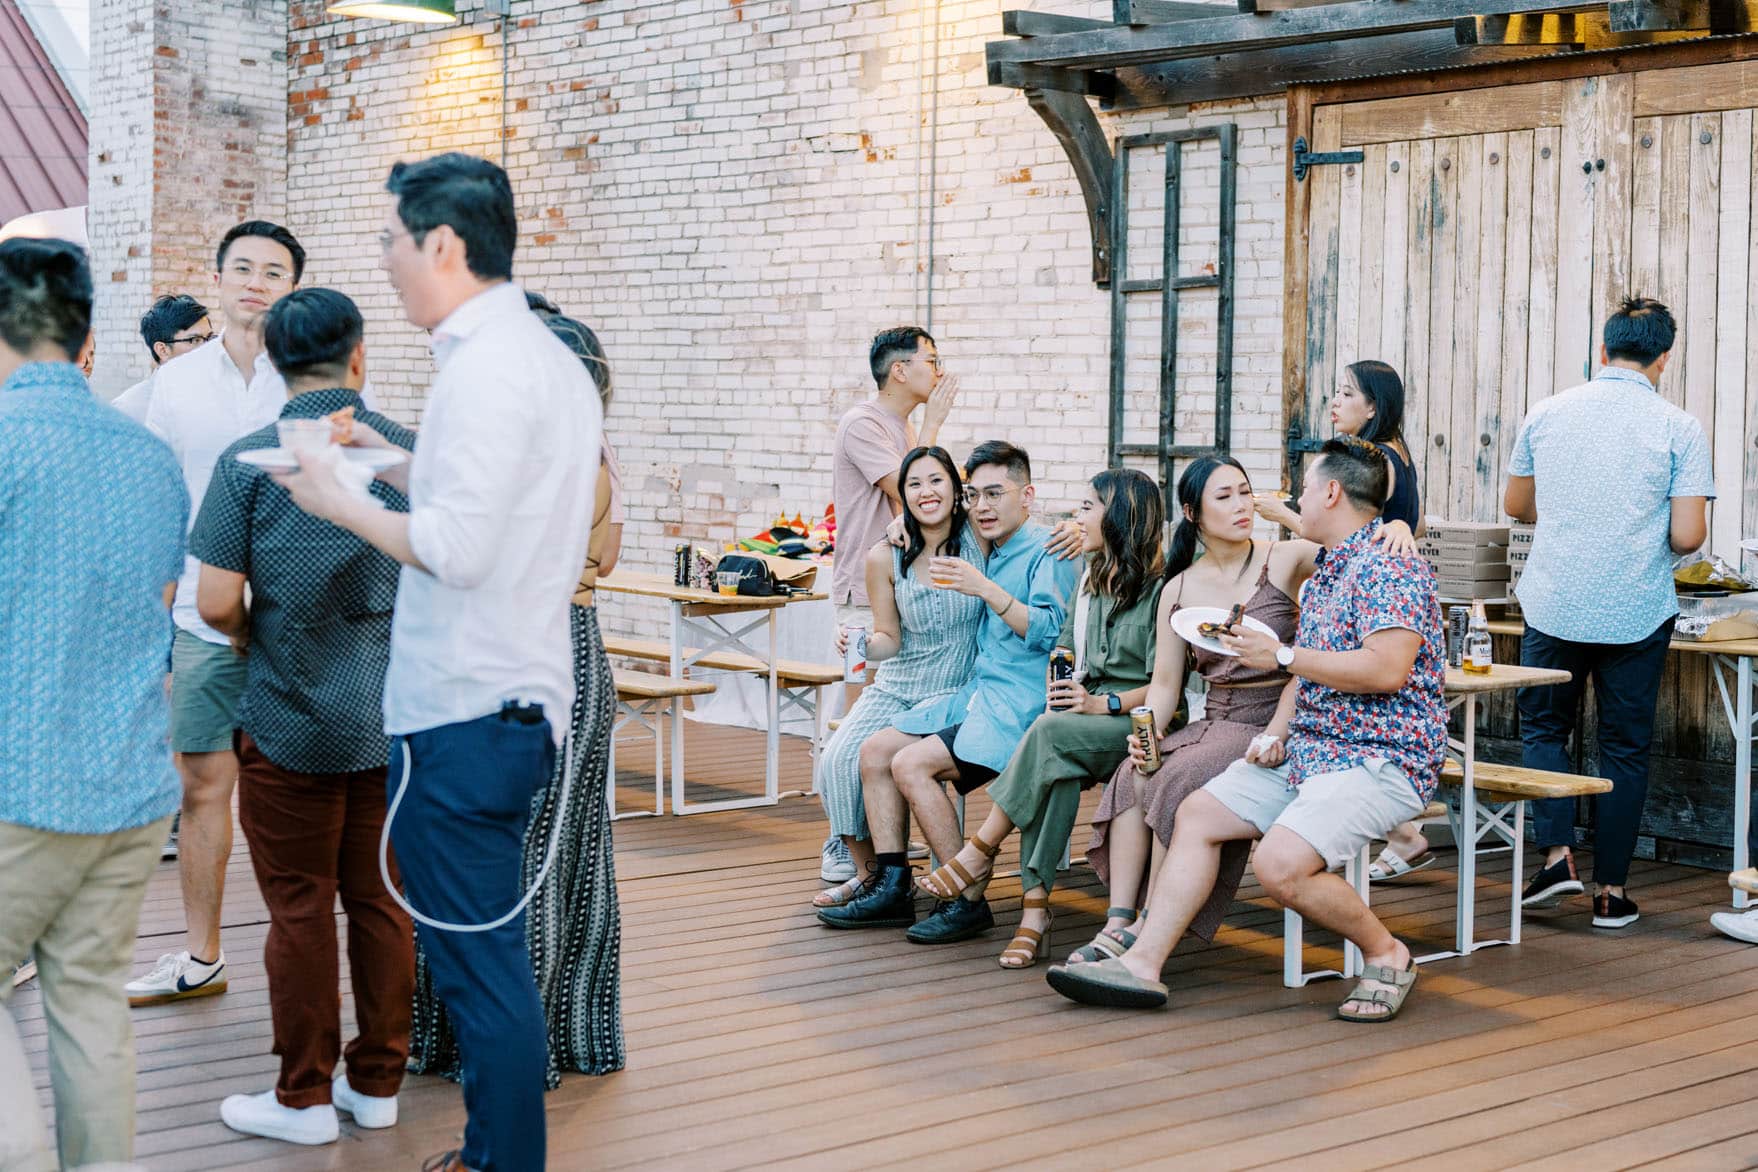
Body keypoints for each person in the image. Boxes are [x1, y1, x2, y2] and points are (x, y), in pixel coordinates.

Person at [271, 152, 599, 1172]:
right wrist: (378, 453)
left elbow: (456, 546)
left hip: (467, 710)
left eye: (391, 241)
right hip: (501, 699)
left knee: (479, 968)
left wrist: (335, 499)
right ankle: (492, 1154)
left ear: (444, 245)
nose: (385, 260)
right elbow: (484, 496)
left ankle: (502, 1161)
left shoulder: (489, 367)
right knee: (477, 958)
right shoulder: (534, 355)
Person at [1047, 438, 1445, 1021]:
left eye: (1303, 488)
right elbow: (1305, 681)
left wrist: (1280, 656)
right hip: (1311, 747)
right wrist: (1277, 731)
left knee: (1278, 866)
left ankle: (1387, 954)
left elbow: (1385, 670)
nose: (1290, 498)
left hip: (1380, 757)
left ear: (1331, 492)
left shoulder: (1389, 565)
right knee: (1200, 812)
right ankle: (1142, 963)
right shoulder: (1331, 569)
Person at [186, 288, 417, 1145]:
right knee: (384, 902)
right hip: (397, 723)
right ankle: (380, 1086)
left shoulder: (249, 458)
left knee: (297, 907)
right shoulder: (408, 457)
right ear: (359, 358)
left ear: (276, 363)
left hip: (287, 719)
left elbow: (213, 603)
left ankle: (304, 1099)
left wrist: (252, 635)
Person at [0, 237, 186, 1171]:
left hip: (17, 783)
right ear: (85, 336)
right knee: (88, 1012)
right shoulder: (149, 459)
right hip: (127, 790)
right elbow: (153, 611)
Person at [409, 301, 627, 1086]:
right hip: (568, 650)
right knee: (556, 848)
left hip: (530, 655)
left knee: (516, 853)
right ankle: (560, 1035)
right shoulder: (586, 455)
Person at [128, 220, 309, 1007]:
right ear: (220, 277)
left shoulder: (310, 381)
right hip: (201, 624)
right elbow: (153, 511)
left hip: (295, 625)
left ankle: (301, 955)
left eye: (274, 270)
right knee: (203, 786)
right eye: (243, 267)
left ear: (292, 287)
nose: (256, 281)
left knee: (298, 793)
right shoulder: (173, 386)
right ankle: (202, 955)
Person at [819, 441, 1079, 944]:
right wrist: (901, 527)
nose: (983, 506)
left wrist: (1073, 530)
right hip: (976, 693)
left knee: (909, 763)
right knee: (873, 752)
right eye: (976, 495)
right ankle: (892, 884)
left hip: (1017, 704)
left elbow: (1051, 632)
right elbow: (920, 520)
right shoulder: (988, 543)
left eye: (994, 494)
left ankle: (967, 897)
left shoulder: (1045, 549)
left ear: (1026, 496)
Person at [1507, 297, 1712, 930]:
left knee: (1545, 730)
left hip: (1554, 601)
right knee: (1624, 747)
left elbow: (1518, 505)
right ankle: (1610, 894)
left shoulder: (1546, 413)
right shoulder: (1680, 427)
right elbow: (1686, 538)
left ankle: (1557, 858)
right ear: (1664, 359)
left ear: (1603, 350)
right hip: (1635, 608)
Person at [912, 469, 1164, 967]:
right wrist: (1063, 687)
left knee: (1045, 735)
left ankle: (980, 849)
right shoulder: (1090, 579)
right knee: (1057, 769)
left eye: (1088, 508)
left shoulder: (1163, 587)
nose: (1076, 517)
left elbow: (1169, 692)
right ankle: (1034, 912)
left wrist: (1102, 704)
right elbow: (1065, 646)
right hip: (1081, 717)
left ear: (1119, 516)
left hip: (1137, 721)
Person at [1077, 457, 1317, 964]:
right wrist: (1148, 731)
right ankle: (1119, 918)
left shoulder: (1285, 558)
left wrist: (1398, 527)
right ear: (1193, 512)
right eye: (1224, 497)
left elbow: (1350, 555)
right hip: (1214, 718)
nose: (1241, 506)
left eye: (1245, 493)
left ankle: (1150, 924)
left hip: (1273, 718)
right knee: (1134, 773)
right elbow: (1165, 685)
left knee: (1178, 776)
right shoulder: (1179, 588)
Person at [1256, 360, 1430, 880]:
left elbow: (1359, 536)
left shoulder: (1373, 460)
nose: (1334, 402)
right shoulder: (1397, 455)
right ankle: (1401, 834)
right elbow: (1402, 525)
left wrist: (1282, 515)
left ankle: (1395, 832)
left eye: (1347, 393)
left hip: (1374, 607)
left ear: (1373, 407)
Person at [812, 446, 987, 909]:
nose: (926, 492)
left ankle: (885, 881)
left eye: (936, 481)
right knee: (836, 758)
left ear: (955, 488)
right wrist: (864, 645)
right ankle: (873, 873)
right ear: (902, 495)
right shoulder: (884, 556)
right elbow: (890, 636)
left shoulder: (981, 541)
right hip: (897, 682)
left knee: (883, 757)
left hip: (955, 687)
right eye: (914, 484)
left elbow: (1023, 524)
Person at [820, 326, 959, 883]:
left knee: (884, 729)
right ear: (899, 370)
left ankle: (887, 846)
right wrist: (934, 429)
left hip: (908, 591)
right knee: (855, 724)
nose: (940, 369)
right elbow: (911, 491)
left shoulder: (900, 427)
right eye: (932, 359)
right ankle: (841, 842)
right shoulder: (865, 424)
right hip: (865, 591)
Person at [112, 293, 215, 423]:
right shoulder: (129, 410)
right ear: (162, 350)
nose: (207, 347)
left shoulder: (218, 399)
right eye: (195, 340)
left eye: (210, 338)